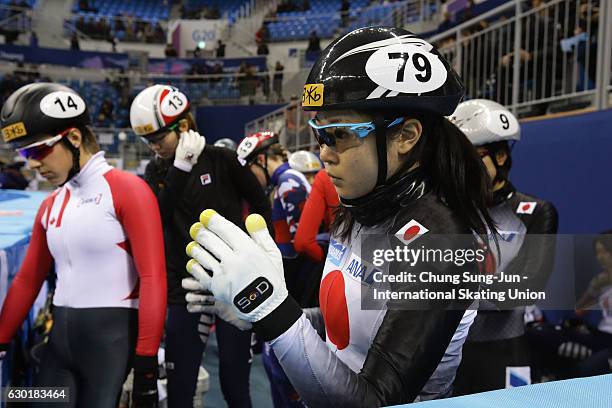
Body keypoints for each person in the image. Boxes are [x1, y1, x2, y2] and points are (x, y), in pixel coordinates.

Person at [183, 27, 499, 405]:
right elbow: (344, 332)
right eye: (319, 134)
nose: (323, 154)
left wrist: (271, 310)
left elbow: (375, 399)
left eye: (338, 135)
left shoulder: (443, 242)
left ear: (406, 135)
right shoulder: (360, 208)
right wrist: (261, 310)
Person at [0, 83, 166, 407]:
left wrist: (146, 363)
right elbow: (27, 279)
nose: (31, 164)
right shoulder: (50, 204)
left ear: (74, 138)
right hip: (59, 346)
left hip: (110, 348)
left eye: (37, 151)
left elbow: (154, 278)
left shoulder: (129, 190)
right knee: (25, 399)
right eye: (23, 153)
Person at [130, 84, 271, 408]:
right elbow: (157, 219)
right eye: (148, 141)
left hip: (233, 284)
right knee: (181, 389)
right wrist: (179, 168)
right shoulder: (158, 170)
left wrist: (256, 254)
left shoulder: (221, 159)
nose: (154, 148)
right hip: (186, 289)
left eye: (158, 139)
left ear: (182, 126)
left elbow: (260, 201)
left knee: (236, 387)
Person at [450, 99, 559, 394]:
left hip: (505, 353)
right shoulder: (447, 212)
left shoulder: (536, 212)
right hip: (449, 355)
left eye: (471, 159)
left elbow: (525, 286)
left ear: (500, 157)